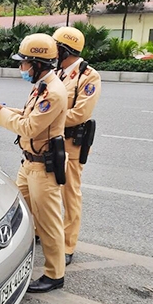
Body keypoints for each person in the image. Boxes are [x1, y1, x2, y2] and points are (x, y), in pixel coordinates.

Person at [0, 34, 67, 293]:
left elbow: (30, 127)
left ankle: (55, 274)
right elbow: (30, 114)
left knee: (48, 223)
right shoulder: (42, 86)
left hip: (43, 167)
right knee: (17, 211)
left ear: (38, 64)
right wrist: (4, 107)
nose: (21, 68)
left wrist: (0, 112)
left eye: (24, 63)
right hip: (29, 164)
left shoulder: (53, 92)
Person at [52, 26, 101, 266]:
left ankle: (68, 244)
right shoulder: (59, 74)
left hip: (72, 144)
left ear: (65, 50)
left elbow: (81, 113)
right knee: (47, 191)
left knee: (70, 195)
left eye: (55, 47)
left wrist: (48, 118)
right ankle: (45, 232)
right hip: (53, 140)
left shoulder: (88, 76)